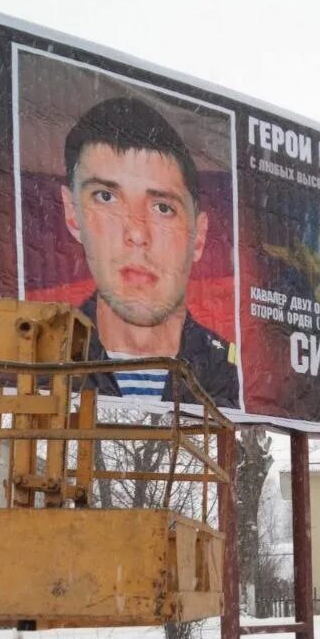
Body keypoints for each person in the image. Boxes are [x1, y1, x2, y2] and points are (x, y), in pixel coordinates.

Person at [59, 96, 239, 409]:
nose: (138, 233)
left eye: (162, 208)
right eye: (106, 197)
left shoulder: (234, 373)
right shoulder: (41, 362)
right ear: (72, 213)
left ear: (199, 236)